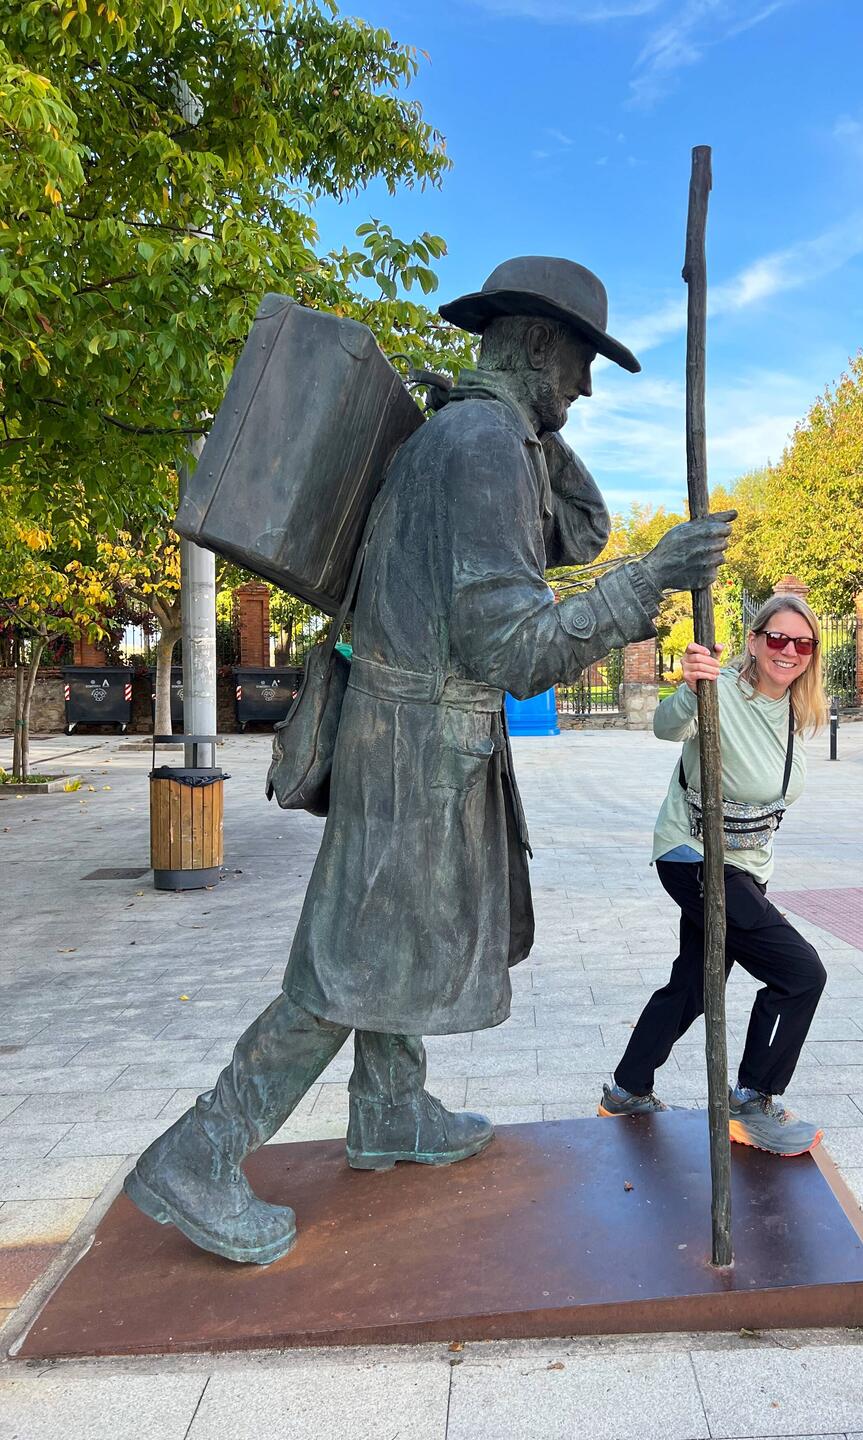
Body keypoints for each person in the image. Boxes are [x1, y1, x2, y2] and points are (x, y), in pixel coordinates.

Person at [124, 255, 735, 1264]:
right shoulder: (481, 445)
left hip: (413, 735)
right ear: (540, 344)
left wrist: (525, 419)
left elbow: (577, 532)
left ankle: (390, 1111)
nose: (584, 389)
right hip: (414, 746)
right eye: (580, 364)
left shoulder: (483, 435)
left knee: (386, 942)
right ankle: (199, 1154)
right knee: (349, 961)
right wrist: (653, 580)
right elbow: (515, 652)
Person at [599, 594, 830, 1156]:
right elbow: (664, 726)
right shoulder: (719, 688)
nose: (789, 652)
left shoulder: (797, 710)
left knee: (696, 984)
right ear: (754, 640)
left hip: (746, 866)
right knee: (801, 974)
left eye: (803, 643)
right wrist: (689, 684)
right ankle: (751, 1100)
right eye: (777, 638)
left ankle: (628, 1088)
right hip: (695, 857)